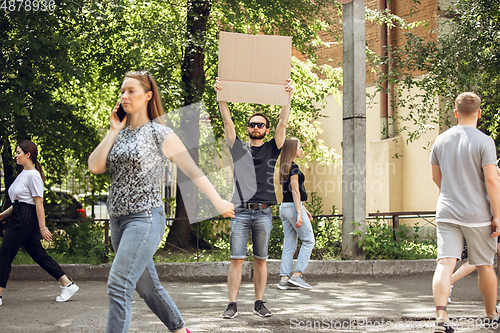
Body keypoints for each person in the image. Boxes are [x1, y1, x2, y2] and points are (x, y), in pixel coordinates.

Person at [88, 71, 234, 333]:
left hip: (144, 219)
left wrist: (218, 201)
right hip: (118, 220)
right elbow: (95, 166)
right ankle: (180, 330)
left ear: (148, 96)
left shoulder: (160, 133)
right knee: (146, 287)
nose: (124, 96)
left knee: (119, 284)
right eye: (122, 91)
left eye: (131, 91)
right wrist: (112, 130)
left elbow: (193, 170)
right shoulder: (119, 135)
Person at [214, 77, 294, 319]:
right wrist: (221, 95)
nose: (256, 127)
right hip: (240, 211)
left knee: (261, 260)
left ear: (266, 130)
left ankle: (259, 303)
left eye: (260, 124)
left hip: (263, 212)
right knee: (237, 259)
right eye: (252, 124)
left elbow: (283, 122)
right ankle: (232, 305)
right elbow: (227, 120)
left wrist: (287, 97)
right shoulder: (238, 147)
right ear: (248, 128)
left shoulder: (272, 147)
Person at [430, 92, 500, 333]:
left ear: (455, 112)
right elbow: (492, 180)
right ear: (479, 113)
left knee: (444, 263)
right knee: (484, 265)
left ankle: (441, 318)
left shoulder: (440, 140)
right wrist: (497, 215)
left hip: (447, 211)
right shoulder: (484, 141)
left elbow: (435, 177)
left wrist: (451, 193)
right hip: (477, 214)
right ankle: (491, 316)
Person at [0, 140, 79, 306]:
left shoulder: (33, 175)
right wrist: (2, 215)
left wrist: (42, 227)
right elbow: (19, 203)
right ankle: (68, 284)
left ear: (28, 154)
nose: (15, 155)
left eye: (18, 152)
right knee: (37, 254)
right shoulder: (23, 174)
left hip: (26, 219)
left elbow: (38, 203)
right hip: (20, 215)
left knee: (5, 254)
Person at [276, 138, 315, 290]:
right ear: (293, 149)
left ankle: (284, 279)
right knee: (309, 240)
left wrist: (304, 209)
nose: (301, 150)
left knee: (289, 244)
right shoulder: (294, 167)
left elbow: (288, 193)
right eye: (299, 147)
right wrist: (299, 213)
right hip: (292, 208)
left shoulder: (285, 167)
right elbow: (294, 190)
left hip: (285, 207)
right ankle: (297, 276)